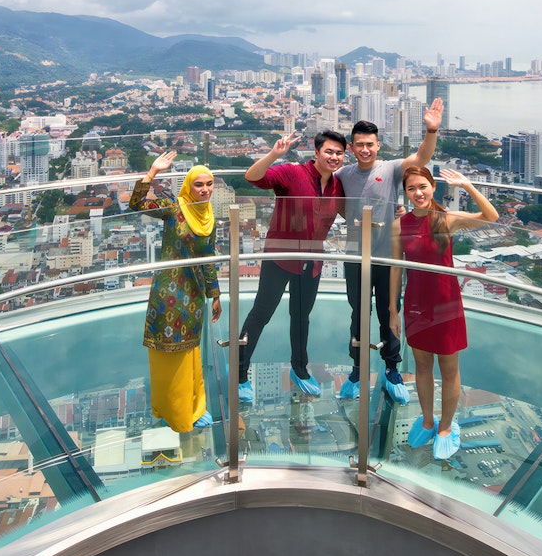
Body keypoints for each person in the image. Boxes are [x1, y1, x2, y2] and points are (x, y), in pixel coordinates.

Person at [336, 98, 444, 404]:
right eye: (359, 145)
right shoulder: (344, 174)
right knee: (359, 313)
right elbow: (335, 203)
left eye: (370, 144)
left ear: (378, 145)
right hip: (356, 255)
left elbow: (421, 157)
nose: (365, 150)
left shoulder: (392, 168)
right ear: (352, 147)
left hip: (387, 256)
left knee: (389, 312)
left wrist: (431, 131)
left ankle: (392, 368)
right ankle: (357, 369)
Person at [389, 166, 499, 460]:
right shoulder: (399, 225)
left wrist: (467, 185)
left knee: (449, 371)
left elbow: (491, 217)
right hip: (416, 303)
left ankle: (447, 427)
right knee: (422, 367)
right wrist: (392, 310)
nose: (418, 193)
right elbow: (396, 269)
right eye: (411, 189)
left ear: (433, 186)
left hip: (446, 304)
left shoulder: (445, 220)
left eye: (422, 186)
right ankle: (427, 420)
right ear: (406, 193)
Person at [237, 130, 346, 400]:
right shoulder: (292, 172)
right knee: (261, 313)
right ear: (316, 152)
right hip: (280, 257)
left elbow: (350, 212)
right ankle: (239, 373)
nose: (333, 157)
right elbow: (252, 177)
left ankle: (299, 368)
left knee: (301, 317)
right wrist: (275, 154)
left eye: (339, 153)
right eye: (328, 152)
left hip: (312, 262)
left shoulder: (336, 185)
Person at [129, 151, 222, 432]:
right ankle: (173, 412)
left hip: (193, 294)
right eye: (198, 185)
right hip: (168, 293)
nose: (204, 190)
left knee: (191, 353)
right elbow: (136, 204)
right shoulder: (174, 208)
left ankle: (194, 407)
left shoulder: (208, 217)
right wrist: (152, 172)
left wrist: (214, 294)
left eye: (209, 184)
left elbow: (208, 258)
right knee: (170, 354)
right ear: (188, 186)